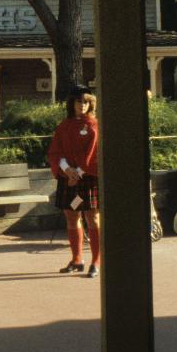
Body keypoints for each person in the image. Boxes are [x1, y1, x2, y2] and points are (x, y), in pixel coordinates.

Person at [46, 88, 101, 276]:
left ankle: (96, 261)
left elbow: (94, 155)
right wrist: (66, 170)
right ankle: (77, 260)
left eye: (86, 102)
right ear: (72, 104)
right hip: (67, 178)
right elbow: (55, 151)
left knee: (92, 218)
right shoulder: (64, 125)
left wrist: (76, 172)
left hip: (88, 178)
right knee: (71, 217)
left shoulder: (94, 125)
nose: (82, 105)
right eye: (79, 101)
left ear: (90, 103)